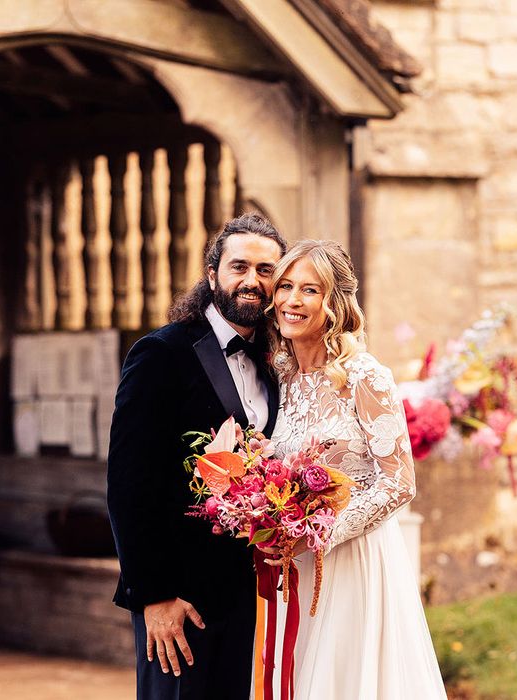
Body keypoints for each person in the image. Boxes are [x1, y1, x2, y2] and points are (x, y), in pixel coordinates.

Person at [107, 213, 286, 700]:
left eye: (266, 271)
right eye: (239, 267)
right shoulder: (161, 354)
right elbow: (128, 485)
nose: (252, 281)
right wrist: (154, 595)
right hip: (178, 600)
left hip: (248, 598)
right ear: (212, 275)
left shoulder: (276, 365)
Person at [264, 239, 447, 698]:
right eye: (285, 286)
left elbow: (399, 482)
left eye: (310, 290)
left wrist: (322, 533)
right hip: (290, 566)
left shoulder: (365, 376)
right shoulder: (276, 375)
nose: (292, 300)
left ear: (335, 302)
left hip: (351, 560)